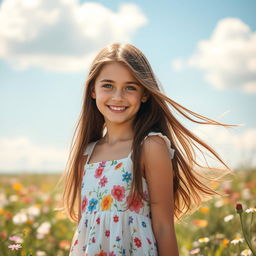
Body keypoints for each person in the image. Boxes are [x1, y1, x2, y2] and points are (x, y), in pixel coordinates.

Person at [57, 43, 238, 255]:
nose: (118, 96)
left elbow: (163, 228)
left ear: (144, 94)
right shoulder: (86, 154)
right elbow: (85, 229)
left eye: (130, 87)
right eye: (108, 85)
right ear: (93, 91)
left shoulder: (150, 147)